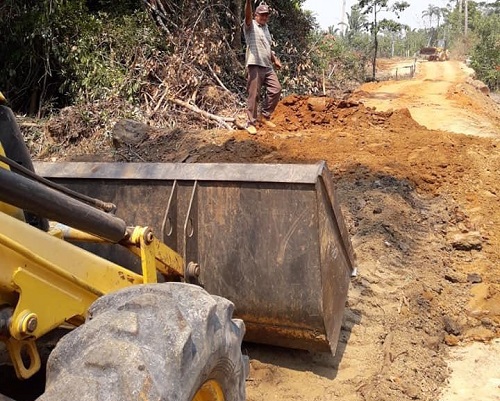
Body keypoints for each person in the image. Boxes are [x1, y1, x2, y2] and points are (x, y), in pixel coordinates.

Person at [243, 0, 282, 134]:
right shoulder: (250, 25)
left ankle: (264, 116)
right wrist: (248, 2)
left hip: (267, 65)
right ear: (256, 15)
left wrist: (275, 60)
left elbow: (268, 47)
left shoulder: (265, 29)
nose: (264, 17)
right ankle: (250, 123)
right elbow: (247, 15)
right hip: (255, 64)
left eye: (266, 15)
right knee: (254, 95)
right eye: (262, 15)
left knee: (276, 89)